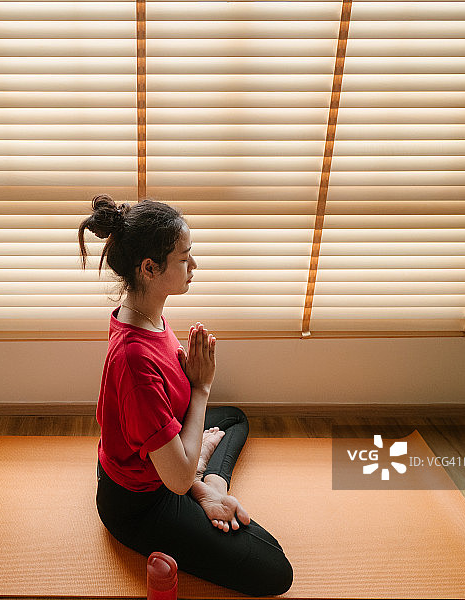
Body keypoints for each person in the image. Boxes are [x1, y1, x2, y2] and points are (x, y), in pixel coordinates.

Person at [77, 195, 293, 596]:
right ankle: (203, 478)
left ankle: (206, 479)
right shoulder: (134, 360)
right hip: (140, 504)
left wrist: (199, 483)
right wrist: (202, 388)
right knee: (275, 568)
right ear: (150, 268)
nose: (194, 266)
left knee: (233, 419)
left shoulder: (147, 314)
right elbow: (173, 482)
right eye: (184, 257)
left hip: (164, 465)